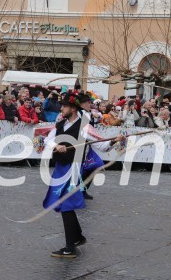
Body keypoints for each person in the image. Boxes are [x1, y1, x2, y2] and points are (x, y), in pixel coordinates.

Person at [42, 92, 121, 259]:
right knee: (62, 203)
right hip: (60, 167)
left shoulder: (85, 126)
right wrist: (56, 145)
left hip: (74, 168)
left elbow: (102, 145)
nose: (61, 109)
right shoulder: (60, 123)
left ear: (73, 108)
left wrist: (113, 141)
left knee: (66, 205)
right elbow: (47, 139)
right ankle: (77, 238)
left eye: (64, 106)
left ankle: (71, 247)